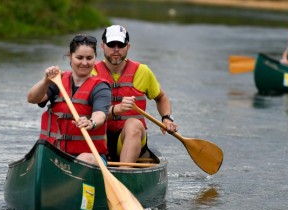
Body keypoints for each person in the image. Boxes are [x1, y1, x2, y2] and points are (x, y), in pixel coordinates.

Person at [92, 25, 178, 164]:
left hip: (131, 137)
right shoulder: (91, 72)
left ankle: (124, 175)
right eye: (111, 44)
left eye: (120, 44)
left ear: (128, 46)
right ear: (102, 46)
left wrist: (167, 118)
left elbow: (161, 97)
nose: (116, 49)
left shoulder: (142, 71)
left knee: (134, 124)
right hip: (100, 137)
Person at [27, 35, 111, 166]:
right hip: (56, 154)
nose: (84, 63)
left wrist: (91, 122)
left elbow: (100, 114)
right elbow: (32, 99)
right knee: (39, 154)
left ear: (95, 58)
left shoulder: (100, 87)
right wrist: (46, 81)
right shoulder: (58, 81)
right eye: (79, 57)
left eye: (89, 58)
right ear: (70, 56)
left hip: (90, 157)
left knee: (85, 159)